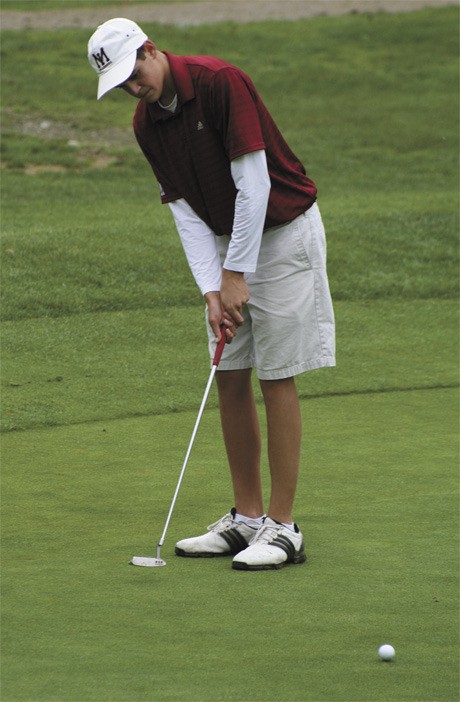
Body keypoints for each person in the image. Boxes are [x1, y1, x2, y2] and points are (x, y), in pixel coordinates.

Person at [88, 17, 335, 571]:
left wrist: (237, 273)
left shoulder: (222, 82)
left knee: (276, 373)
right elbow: (183, 211)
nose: (134, 87)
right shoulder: (146, 124)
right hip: (228, 246)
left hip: (282, 233)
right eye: (122, 84)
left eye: (135, 73)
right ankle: (246, 519)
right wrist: (211, 288)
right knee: (228, 372)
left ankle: (283, 527)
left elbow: (255, 184)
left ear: (151, 50)